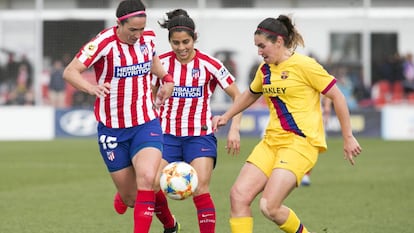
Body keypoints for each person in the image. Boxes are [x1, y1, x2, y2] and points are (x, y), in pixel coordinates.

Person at [212, 15, 362, 233]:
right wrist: (227, 116)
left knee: (269, 207)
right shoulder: (264, 70)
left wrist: (348, 137)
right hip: (271, 142)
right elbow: (250, 95)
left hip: (300, 144)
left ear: (279, 42)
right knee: (238, 196)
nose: (259, 52)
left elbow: (337, 97)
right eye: (257, 47)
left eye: (262, 46)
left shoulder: (305, 65)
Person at [62, 1, 174, 233]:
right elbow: (70, 71)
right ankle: (161, 217)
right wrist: (90, 88)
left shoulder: (149, 39)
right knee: (133, 198)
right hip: (112, 130)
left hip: (145, 123)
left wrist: (167, 79)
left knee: (147, 178)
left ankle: (170, 227)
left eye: (141, 29)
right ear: (118, 24)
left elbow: (154, 63)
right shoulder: (103, 42)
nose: (138, 35)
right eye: (133, 30)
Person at [151, 9, 242, 233]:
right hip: (166, 136)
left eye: (186, 42)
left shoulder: (209, 64)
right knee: (151, 186)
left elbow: (239, 96)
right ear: (169, 41)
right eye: (175, 42)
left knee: (200, 189)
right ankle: (171, 226)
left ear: (194, 38)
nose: (181, 47)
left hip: (199, 136)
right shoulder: (159, 64)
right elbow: (148, 95)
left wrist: (234, 129)